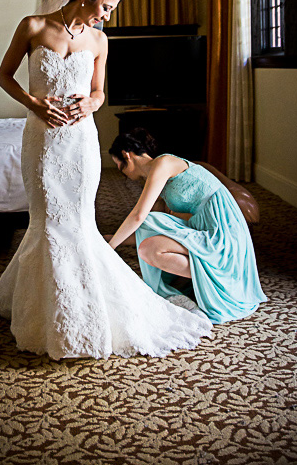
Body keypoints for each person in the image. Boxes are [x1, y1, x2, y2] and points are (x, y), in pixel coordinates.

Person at [0, 0, 213, 359]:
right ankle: (41, 306)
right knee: (46, 220)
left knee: (77, 219)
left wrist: (92, 102)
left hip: (80, 143)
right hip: (41, 141)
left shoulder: (99, 40)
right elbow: (5, 76)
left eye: (110, 10)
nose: (106, 16)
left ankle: (83, 305)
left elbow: (98, 92)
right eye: (104, 6)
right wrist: (34, 104)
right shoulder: (33, 26)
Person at [106, 129, 267, 324]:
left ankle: (221, 277)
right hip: (203, 226)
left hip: (221, 228)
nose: (120, 172)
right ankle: (206, 279)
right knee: (148, 242)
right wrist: (109, 239)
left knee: (147, 227)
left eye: (119, 166)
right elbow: (150, 225)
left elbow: (139, 216)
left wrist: (110, 247)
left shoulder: (163, 163)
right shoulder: (155, 179)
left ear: (127, 155)